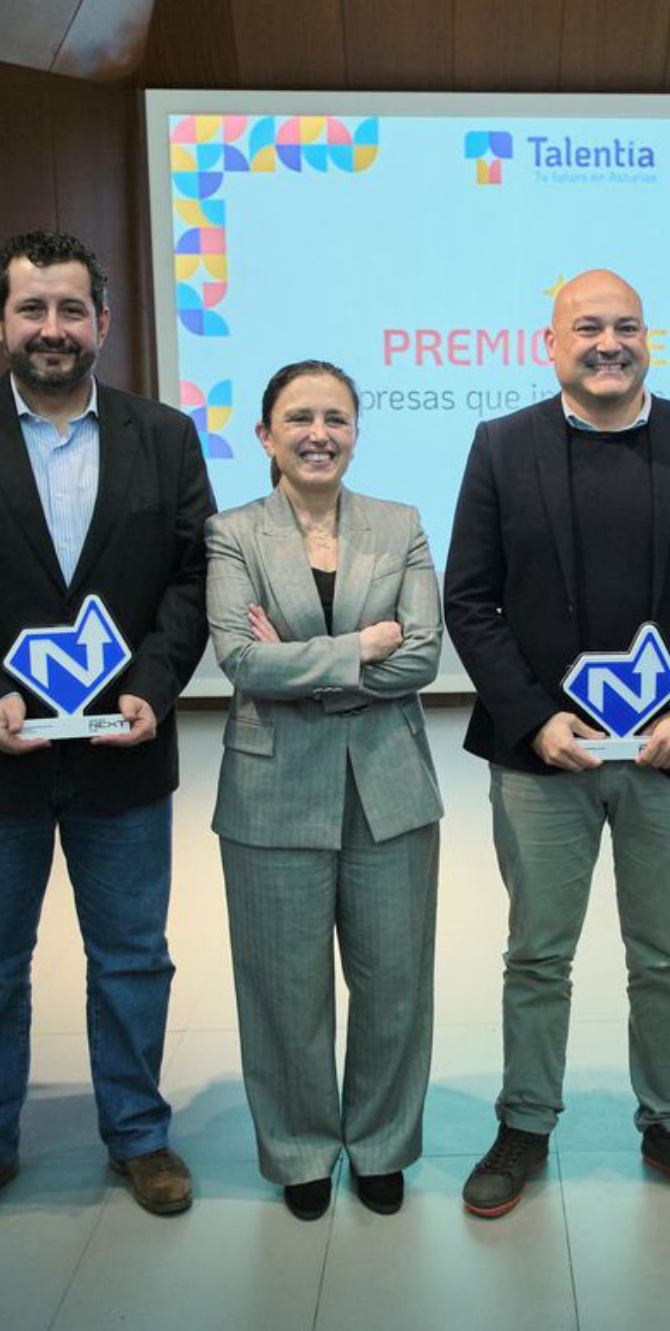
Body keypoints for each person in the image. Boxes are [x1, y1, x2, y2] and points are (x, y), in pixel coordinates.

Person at [0, 230, 212, 1240]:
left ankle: (138, 1136)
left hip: (123, 748)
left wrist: (155, 685)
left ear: (103, 322)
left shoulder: (164, 433)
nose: (52, 329)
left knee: (133, 959)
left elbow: (193, 576)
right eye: (32, 309)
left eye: (71, 309)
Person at [444, 269, 670, 1217]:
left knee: (664, 953)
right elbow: (472, 597)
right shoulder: (502, 447)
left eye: (627, 325)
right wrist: (534, 717)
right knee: (537, 954)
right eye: (588, 327)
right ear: (551, 342)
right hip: (545, 756)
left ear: (648, 338)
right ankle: (525, 1124)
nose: (609, 343)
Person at [205, 361, 443, 1222]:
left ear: (355, 431)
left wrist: (299, 663)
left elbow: (423, 656)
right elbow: (239, 659)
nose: (319, 432)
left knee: (393, 982)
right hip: (272, 788)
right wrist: (359, 649)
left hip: (390, 784)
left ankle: (380, 1144)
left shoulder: (400, 524)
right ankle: (300, 1148)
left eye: (336, 417)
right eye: (299, 417)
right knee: (283, 985)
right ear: (265, 435)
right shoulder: (232, 534)